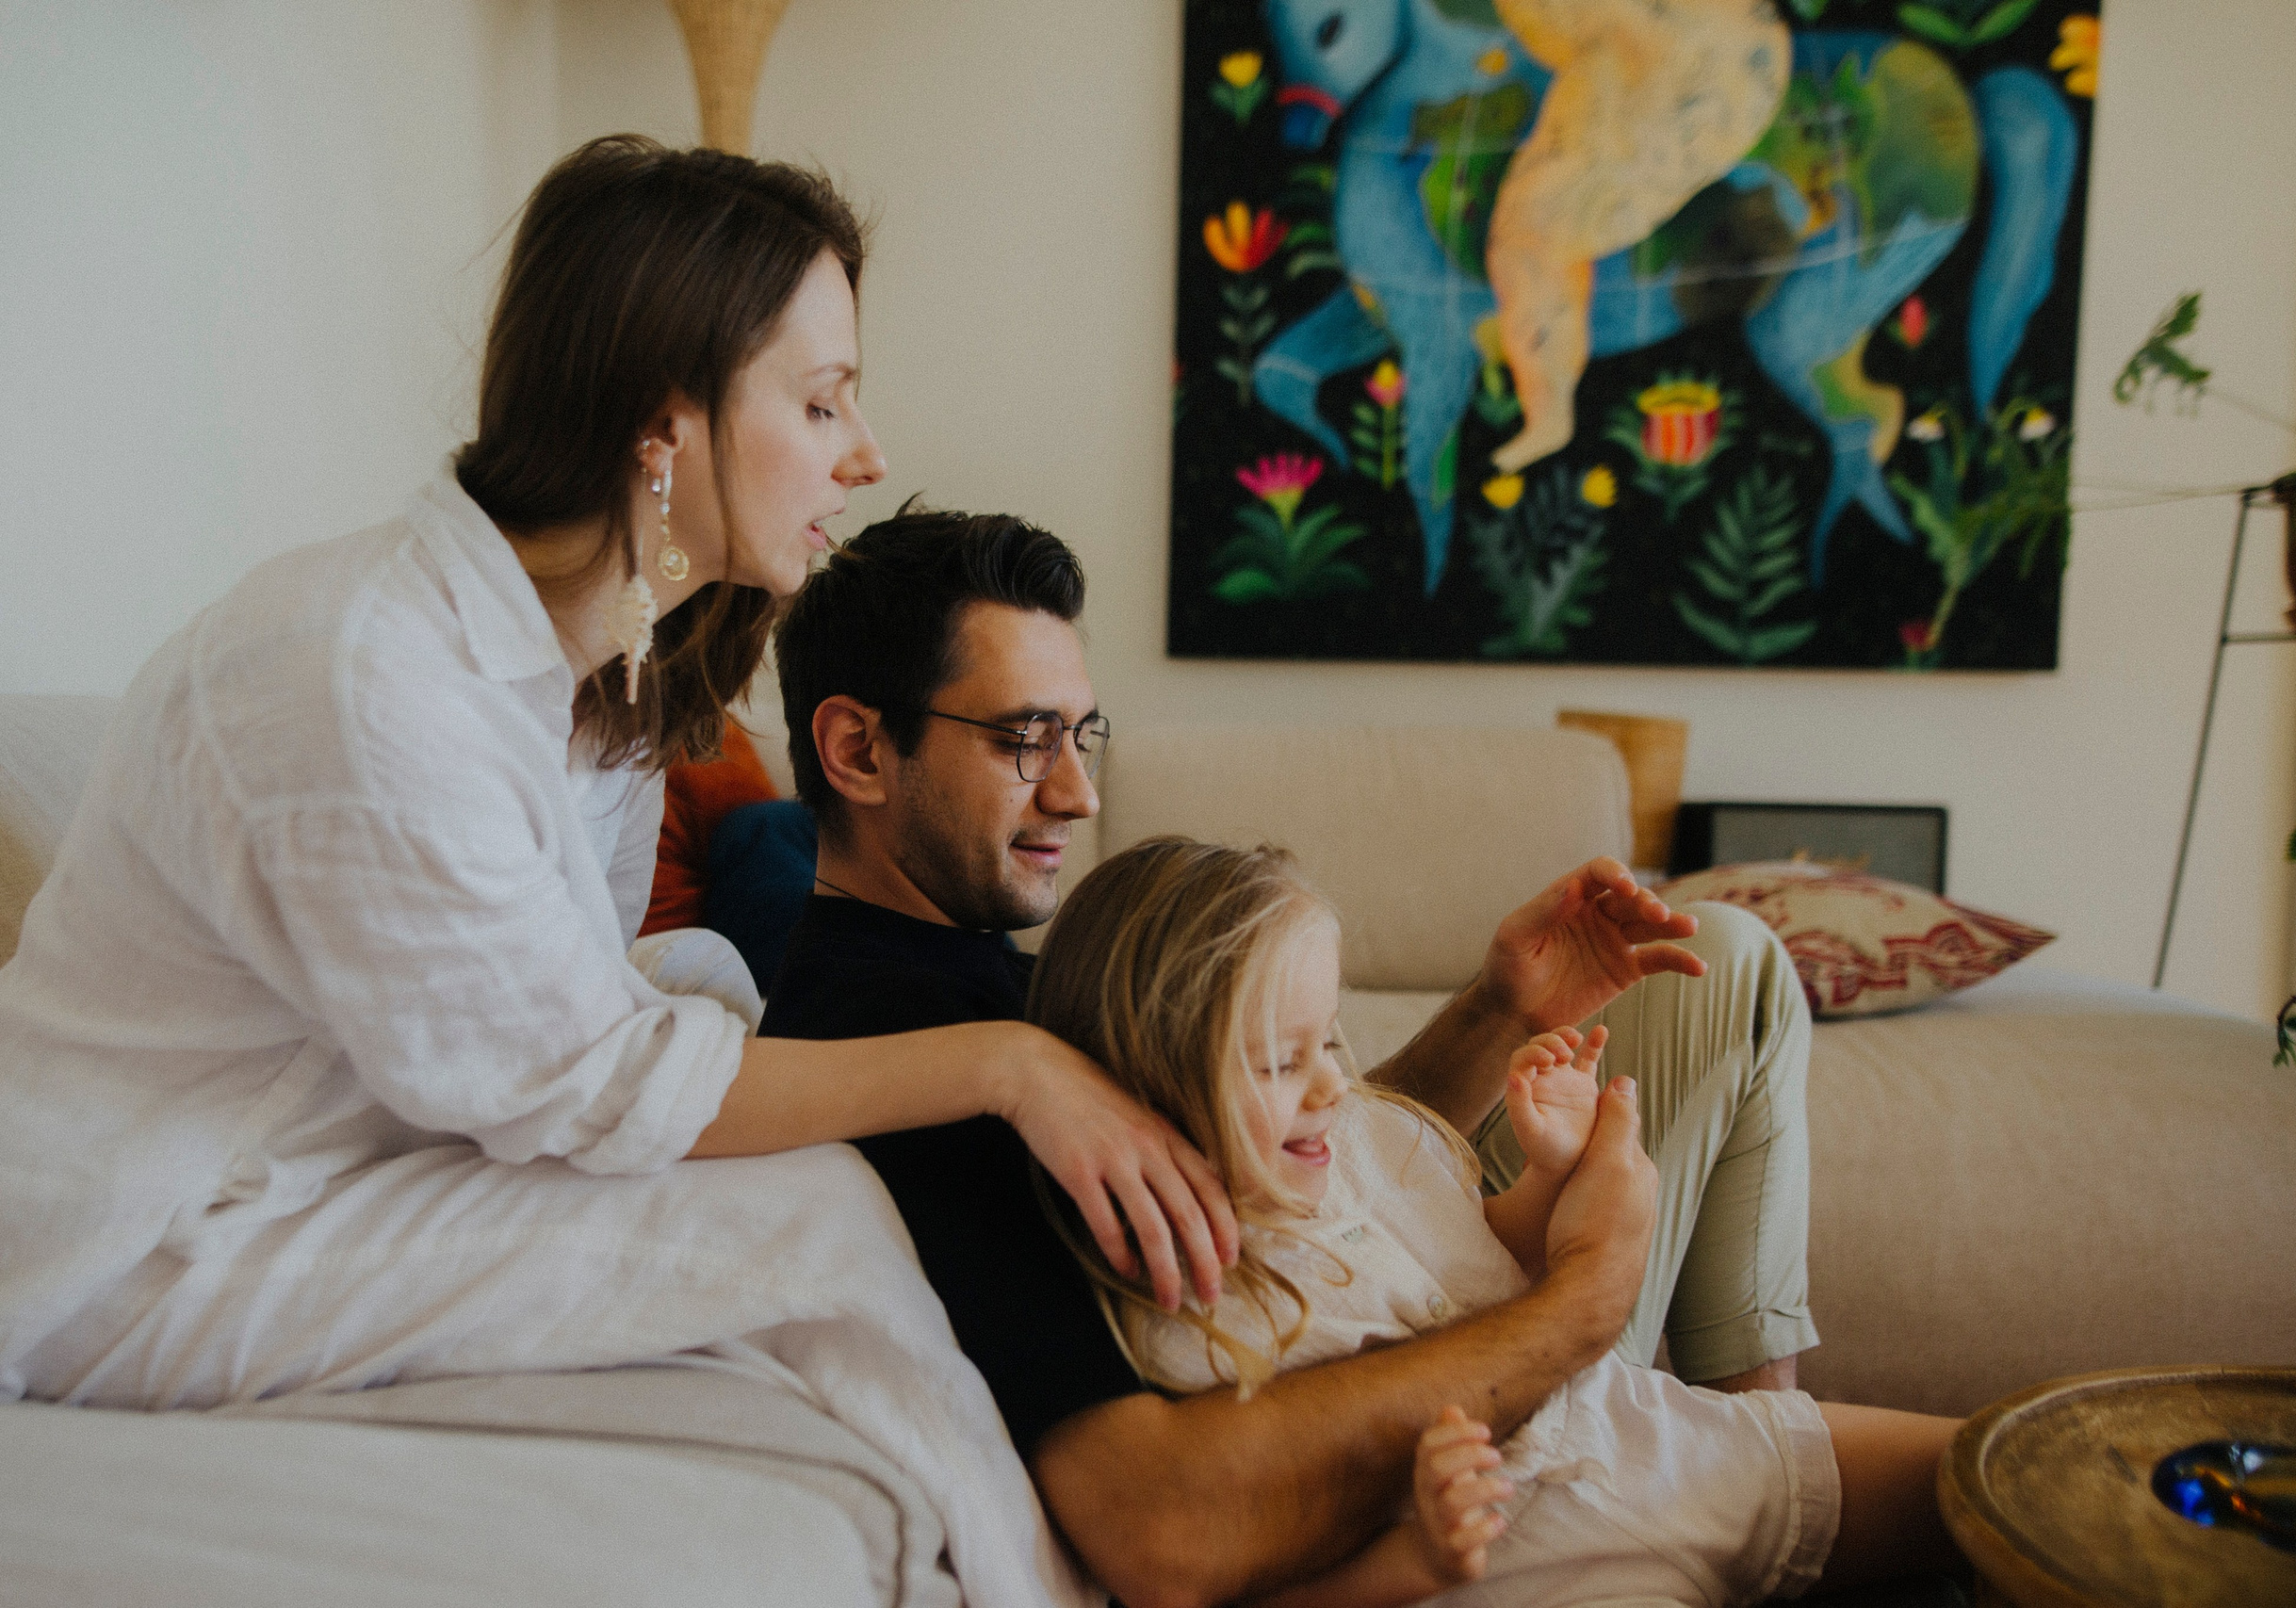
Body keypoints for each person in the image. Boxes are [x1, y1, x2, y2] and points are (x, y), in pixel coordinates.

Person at [0, 134, 1233, 1416]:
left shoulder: (605, 676)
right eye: (821, 401)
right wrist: (1009, 1064)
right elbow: (598, 1084)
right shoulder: (371, 678)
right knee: (812, 1227)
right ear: (664, 422)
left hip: (329, 1174)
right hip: (141, 1240)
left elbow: (571, 1027)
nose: (864, 454)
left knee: (812, 1194)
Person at [759, 508, 1886, 1608]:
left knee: (1723, 959)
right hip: (1436, 1426)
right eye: (1022, 740)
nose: (1077, 791)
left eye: (1079, 734)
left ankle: (1750, 1436)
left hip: (1402, 1306)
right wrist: (1589, 1298)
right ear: (859, 749)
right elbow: (1159, 1525)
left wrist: (1500, 1012)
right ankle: (1748, 1477)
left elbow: (1297, 1161)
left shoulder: (982, 970)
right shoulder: (913, 1054)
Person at [1029, 836, 1964, 1608]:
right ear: (1143, 1094)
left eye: (1328, 1042)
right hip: (1545, 1573)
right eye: (1278, 1063)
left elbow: (1482, 1255)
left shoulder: (1357, 1140)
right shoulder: (1193, 1321)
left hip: (1658, 1443)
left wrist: (1556, 1174)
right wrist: (1414, 1565)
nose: (1328, 1086)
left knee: (2017, 1475)